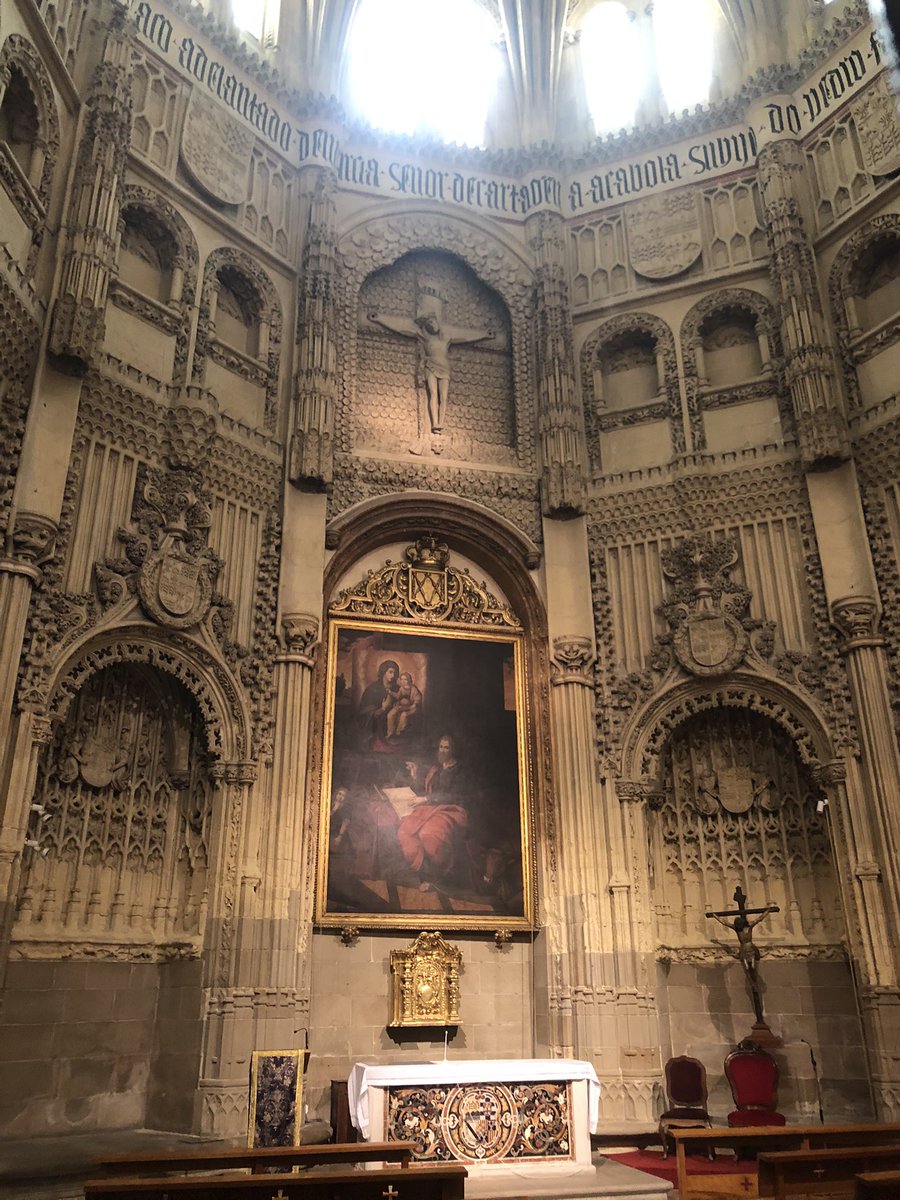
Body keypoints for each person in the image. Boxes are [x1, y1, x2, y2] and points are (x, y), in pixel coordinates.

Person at [368, 309, 495, 433]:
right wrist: (380, 319)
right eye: (429, 323)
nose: (432, 324)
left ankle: (441, 421)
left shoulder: (446, 339)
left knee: (444, 397)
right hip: (431, 366)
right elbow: (402, 329)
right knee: (433, 394)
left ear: (437, 322)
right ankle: (435, 423)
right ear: (427, 326)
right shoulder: (425, 338)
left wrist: (484, 335)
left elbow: (466, 338)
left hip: (444, 368)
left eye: (433, 321)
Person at [397, 734, 468, 888]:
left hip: (450, 810)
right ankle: (423, 871)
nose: (442, 751)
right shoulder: (435, 769)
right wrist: (415, 776)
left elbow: (453, 796)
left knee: (428, 835)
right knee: (405, 831)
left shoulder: (460, 771)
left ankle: (435, 877)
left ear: (453, 750)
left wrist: (427, 800)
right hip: (429, 809)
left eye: (446, 747)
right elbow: (424, 792)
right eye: (441, 747)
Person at [706, 886, 778, 1024]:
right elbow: (725, 922)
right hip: (744, 952)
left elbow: (759, 919)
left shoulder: (748, 927)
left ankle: (755, 985)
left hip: (751, 950)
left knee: (753, 971)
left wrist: (768, 911)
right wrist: (715, 916)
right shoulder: (737, 929)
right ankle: (753, 985)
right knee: (747, 972)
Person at [357, 659, 399, 749]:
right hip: (376, 728)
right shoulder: (372, 689)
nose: (393, 675)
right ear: (383, 672)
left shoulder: (398, 689)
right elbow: (365, 713)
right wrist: (383, 708)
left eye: (395, 673)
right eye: (390, 672)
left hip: (394, 727)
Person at [385, 670, 422, 739]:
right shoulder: (402, 688)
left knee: (404, 715)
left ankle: (398, 733)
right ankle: (390, 732)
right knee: (391, 714)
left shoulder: (414, 689)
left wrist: (412, 705)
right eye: (401, 679)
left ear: (409, 680)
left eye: (405, 679)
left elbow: (417, 700)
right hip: (403, 706)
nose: (403, 681)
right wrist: (391, 692)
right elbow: (398, 696)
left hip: (412, 707)